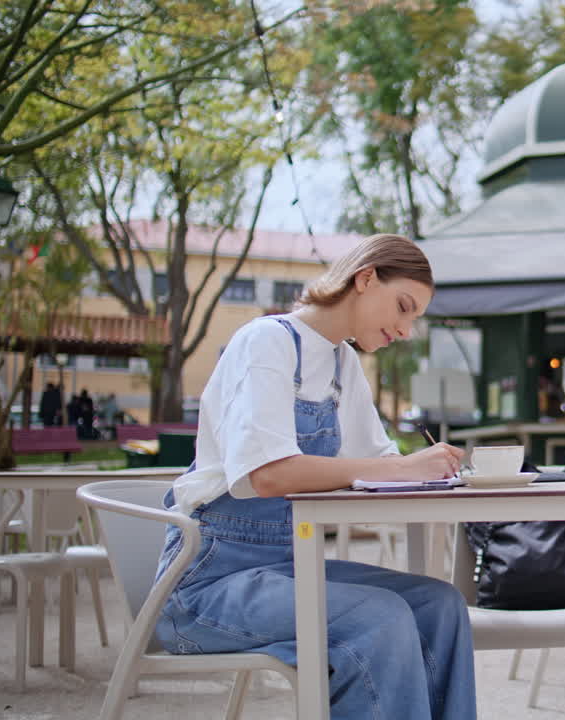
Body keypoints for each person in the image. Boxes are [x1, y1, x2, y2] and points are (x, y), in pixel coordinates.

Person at [155, 233, 476, 719]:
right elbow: (267, 475)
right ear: (365, 278)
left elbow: (385, 467)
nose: (407, 330)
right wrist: (398, 467)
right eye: (404, 307)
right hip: (207, 585)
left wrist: (447, 472)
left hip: (287, 571)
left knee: (441, 606)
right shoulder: (266, 342)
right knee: (380, 619)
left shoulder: (343, 364)